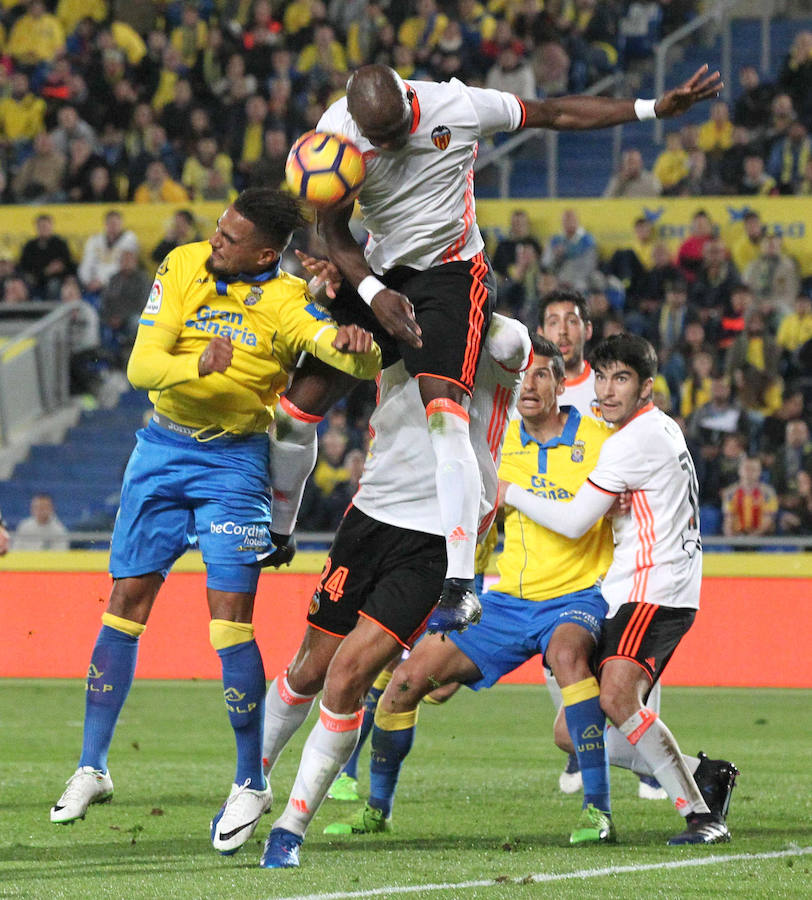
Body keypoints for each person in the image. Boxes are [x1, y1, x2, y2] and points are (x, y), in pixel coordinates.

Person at [309, 61, 722, 634]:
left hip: (453, 274)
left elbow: (554, 112)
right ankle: (276, 523)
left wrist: (651, 109)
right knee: (306, 390)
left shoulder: (458, 107)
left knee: (444, 414)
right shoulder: (334, 137)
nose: (387, 144)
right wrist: (373, 292)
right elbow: (331, 231)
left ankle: (459, 584)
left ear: (409, 99)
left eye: (395, 130)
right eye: (376, 138)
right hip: (383, 275)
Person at [48, 188, 382, 860]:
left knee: (228, 622)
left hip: (233, 466)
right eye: (219, 230)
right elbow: (143, 367)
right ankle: (92, 766)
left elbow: (349, 358)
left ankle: (251, 781)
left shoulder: (289, 300)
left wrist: (353, 336)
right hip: (159, 451)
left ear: (266, 252)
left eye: (232, 239)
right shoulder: (183, 265)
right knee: (123, 608)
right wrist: (194, 363)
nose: (216, 242)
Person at [257, 313, 532, 869]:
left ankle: (290, 826)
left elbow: (511, 340)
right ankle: (249, 780)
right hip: (369, 516)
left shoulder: (498, 346)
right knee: (308, 669)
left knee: (348, 675)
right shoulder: (395, 328)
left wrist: (453, 296)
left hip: (435, 541)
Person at [322, 336, 617, 846]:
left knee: (570, 656)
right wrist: (459, 593)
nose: (529, 383)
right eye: (523, 373)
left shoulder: (599, 441)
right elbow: (467, 518)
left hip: (577, 597)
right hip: (506, 602)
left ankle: (598, 812)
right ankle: (377, 809)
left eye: (543, 374)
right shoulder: (496, 442)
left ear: (562, 384)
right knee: (407, 680)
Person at [498, 333, 738, 845]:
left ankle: (700, 815)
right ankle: (703, 773)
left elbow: (572, 522)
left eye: (621, 379)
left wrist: (509, 492)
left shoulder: (632, 440)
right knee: (571, 730)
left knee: (617, 694)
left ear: (647, 387)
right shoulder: (657, 430)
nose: (606, 391)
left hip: (654, 587)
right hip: (644, 586)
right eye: (602, 377)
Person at [537, 289, 667, 800]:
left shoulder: (615, 390)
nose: (563, 329)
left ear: (587, 331)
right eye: (553, 320)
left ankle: (652, 761)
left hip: (614, 543)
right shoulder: (536, 388)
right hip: (565, 545)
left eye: (572, 320)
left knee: (631, 654)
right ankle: (581, 745)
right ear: (541, 332)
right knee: (562, 653)